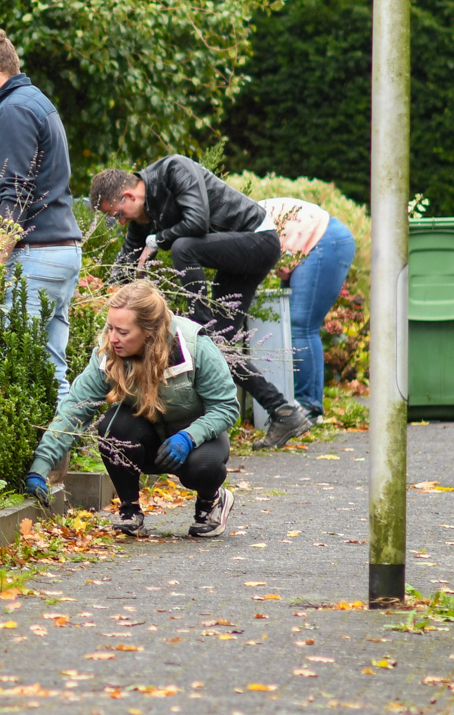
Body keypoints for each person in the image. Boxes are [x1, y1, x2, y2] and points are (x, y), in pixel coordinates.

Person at [89, 158, 313, 446]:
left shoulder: (174, 170)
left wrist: (158, 240)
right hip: (236, 254)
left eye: (118, 213)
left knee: (184, 248)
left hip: (257, 239)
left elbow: (196, 220)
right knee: (218, 345)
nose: (121, 221)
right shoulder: (143, 217)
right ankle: (284, 412)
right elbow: (126, 264)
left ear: (129, 196)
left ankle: (200, 322)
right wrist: (101, 291)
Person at [24, 279, 242, 538]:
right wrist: (41, 467)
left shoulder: (194, 347)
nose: (112, 338)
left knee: (203, 468)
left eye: (123, 332)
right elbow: (74, 410)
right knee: (112, 426)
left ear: (149, 331)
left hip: (196, 443)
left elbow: (226, 407)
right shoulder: (107, 354)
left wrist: (189, 436)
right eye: (110, 328)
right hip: (148, 442)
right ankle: (130, 511)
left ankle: (211, 501)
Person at [0, 29, 84, 401]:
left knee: (9, 361)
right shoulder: (29, 102)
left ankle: (38, 459)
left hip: (36, 254)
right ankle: (56, 457)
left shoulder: (14, 110)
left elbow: (16, 190)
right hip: (59, 249)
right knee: (50, 367)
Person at [261, 196, 356, 421]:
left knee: (300, 326)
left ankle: (308, 406)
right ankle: (302, 403)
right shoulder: (228, 216)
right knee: (291, 326)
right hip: (311, 243)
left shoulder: (230, 221)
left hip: (323, 241)